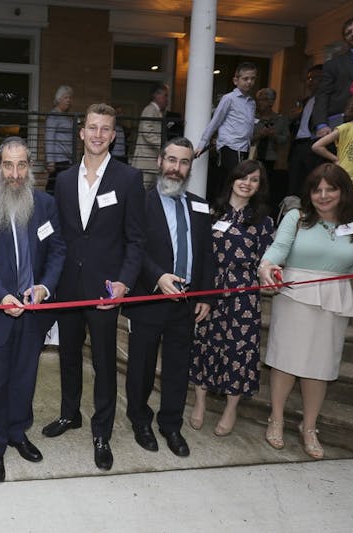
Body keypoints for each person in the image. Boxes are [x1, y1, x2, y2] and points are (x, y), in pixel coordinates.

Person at [42, 103, 145, 471]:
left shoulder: (129, 179)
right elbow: (57, 235)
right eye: (92, 127)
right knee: (68, 355)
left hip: (105, 290)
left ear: (113, 136)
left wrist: (124, 283)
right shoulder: (64, 180)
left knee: (103, 363)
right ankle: (71, 414)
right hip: (68, 287)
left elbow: (136, 240)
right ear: (82, 133)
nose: (98, 134)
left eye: (106, 129)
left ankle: (102, 431)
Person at [0, 136, 65, 483]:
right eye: (8, 165)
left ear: (30, 167)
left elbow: (57, 252)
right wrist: (2, 297)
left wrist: (44, 287)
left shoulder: (46, 205)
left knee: (25, 377)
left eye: (22, 164)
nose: (15, 172)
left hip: (34, 312)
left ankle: (17, 433)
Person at [259, 163, 353, 459]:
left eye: (330, 189)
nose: (322, 195)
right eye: (316, 189)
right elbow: (278, 249)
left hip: (334, 299)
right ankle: (277, 419)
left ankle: (309, 427)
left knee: (321, 367)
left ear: (343, 191)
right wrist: (266, 266)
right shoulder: (297, 217)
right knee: (285, 360)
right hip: (295, 295)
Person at [122, 137, 215, 458]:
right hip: (149, 299)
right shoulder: (140, 203)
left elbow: (206, 253)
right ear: (160, 161)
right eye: (172, 160)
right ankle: (140, 419)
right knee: (141, 366)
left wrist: (206, 295)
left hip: (188, 303)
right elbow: (133, 248)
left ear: (190, 166)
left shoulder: (200, 205)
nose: (176, 168)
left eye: (184, 162)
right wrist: (157, 277)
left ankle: (171, 424)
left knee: (178, 366)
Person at [189, 160, 274, 436]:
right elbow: (199, 252)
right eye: (243, 177)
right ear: (233, 179)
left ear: (260, 186)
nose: (247, 183)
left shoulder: (263, 220)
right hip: (210, 289)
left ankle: (230, 408)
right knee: (205, 342)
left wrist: (268, 273)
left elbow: (267, 259)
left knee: (239, 348)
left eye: (254, 180)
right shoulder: (211, 212)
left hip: (243, 292)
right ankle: (199, 402)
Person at [195, 62, 258, 201]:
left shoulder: (251, 102)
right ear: (236, 80)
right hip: (229, 145)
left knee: (238, 182)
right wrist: (202, 143)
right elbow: (215, 121)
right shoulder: (229, 98)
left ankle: (231, 211)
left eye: (252, 78)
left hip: (244, 147)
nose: (249, 82)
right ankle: (221, 211)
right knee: (233, 181)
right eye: (245, 78)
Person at [312, 90, 353, 220]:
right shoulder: (345, 128)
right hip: (344, 182)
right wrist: (335, 159)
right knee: (341, 218)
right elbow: (317, 146)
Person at [313, 16, 353, 138]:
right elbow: (322, 94)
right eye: (348, 33)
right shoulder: (334, 64)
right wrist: (321, 125)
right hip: (348, 118)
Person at [252, 88, 290, 216]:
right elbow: (245, 138)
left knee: (269, 190)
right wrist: (260, 135)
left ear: (271, 102)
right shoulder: (252, 118)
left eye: (263, 100)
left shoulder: (280, 119)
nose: (259, 103)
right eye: (258, 100)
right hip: (254, 157)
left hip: (273, 160)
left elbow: (285, 139)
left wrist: (274, 136)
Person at [288, 65, 325, 197]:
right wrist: (294, 118)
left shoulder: (326, 100)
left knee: (310, 181)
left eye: (315, 78)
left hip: (313, 144)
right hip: (298, 144)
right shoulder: (306, 100)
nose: (311, 81)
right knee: (294, 182)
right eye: (309, 78)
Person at [132, 84, 169, 189]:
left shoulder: (156, 111)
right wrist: (163, 145)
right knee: (141, 190)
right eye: (165, 96)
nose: (167, 99)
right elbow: (147, 131)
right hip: (146, 161)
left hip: (151, 162)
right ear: (156, 95)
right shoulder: (150, 109)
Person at [44, 85, 75, 195]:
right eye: (66, 98)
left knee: (61, 187)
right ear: (59, 99)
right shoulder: (54, 115)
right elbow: (49, 137)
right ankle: (48, 207)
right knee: (54, 187)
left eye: (70, 98)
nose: (69, 101)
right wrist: (50, 161)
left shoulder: (65, 116)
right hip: (58, 159)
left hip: (66, 159)